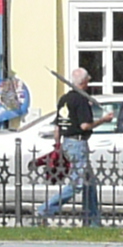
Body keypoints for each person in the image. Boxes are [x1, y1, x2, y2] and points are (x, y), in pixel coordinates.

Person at [36, 67, 102, 228]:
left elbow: (58, 126)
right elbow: (85, 125)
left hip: (67, 141)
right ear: (85, 82)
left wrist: (58, 146)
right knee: (77, 184)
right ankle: (44, 209)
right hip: (78, 143)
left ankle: (92, 221)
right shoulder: (81, 100)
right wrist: (104, 120)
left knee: (89, 184)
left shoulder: (64, 99)